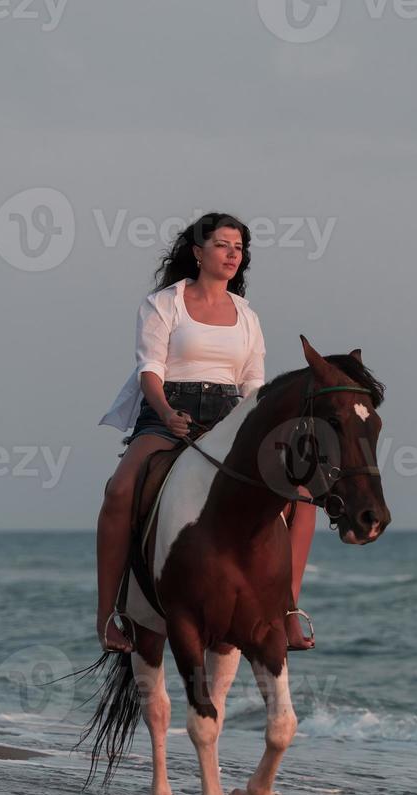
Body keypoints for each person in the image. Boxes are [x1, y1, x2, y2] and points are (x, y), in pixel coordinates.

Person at [96, 212, 316, 654]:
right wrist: (166, 412)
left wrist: (262, 433)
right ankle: (108, 616)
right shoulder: (164, 303)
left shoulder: (247, 316)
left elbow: (254, 385)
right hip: (167, 412)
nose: (233, 254)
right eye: (223, 245)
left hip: (230, 417)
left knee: (302, 497)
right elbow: (150, 370)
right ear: (198, 252)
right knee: (120, 490)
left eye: (239, 248)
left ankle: (287, 610)